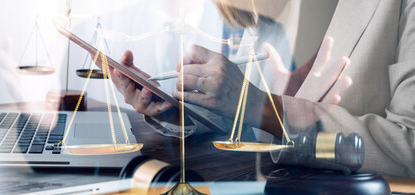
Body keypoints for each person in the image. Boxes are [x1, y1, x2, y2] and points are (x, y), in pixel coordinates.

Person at [114, 0, 415, 177]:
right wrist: (177, 110)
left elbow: (408, 150)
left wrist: (261, 107)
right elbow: (250, 118)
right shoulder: (271, 11)